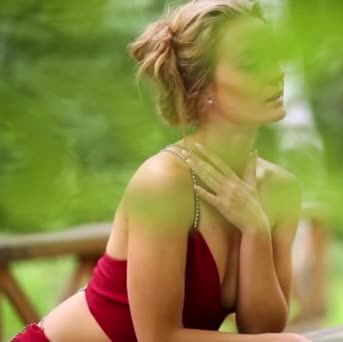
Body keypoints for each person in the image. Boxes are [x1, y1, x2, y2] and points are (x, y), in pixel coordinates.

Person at [12, 1, 308, 341]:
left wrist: (255, 227)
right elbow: (158, 338)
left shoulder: (280, 189)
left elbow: (262, 330)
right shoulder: (164, 182)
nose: (277, 72)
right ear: (204, 88)